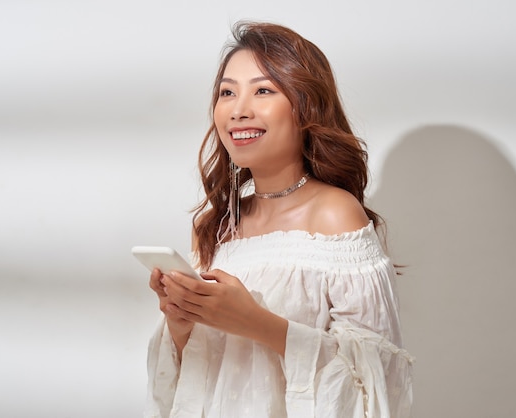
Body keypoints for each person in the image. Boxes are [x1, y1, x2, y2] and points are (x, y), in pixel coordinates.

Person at [145, 21, 413, 418]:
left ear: (306, 105)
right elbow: (197, 384)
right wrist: (182, 322)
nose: (238, 110)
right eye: (227, 93)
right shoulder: (217, 227)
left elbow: (373, 380)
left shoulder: (335, 215)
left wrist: (254, 321)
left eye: (263, 90)